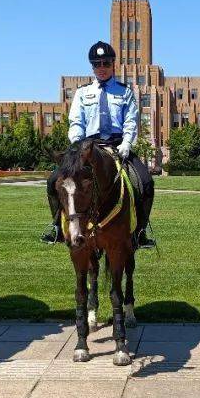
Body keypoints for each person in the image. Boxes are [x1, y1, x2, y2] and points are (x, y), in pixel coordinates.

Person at [40, 41, 156, 248]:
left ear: (113, 64)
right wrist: (77, 146)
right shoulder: (83, 93)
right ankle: (57, 226)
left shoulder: (124, 92)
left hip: (117, 145)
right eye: (96, 64)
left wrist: (127, 142)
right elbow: (76, 122)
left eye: (105, 63)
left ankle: (140, 231)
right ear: (92, 67)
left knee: (145, 181)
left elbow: (131, 121)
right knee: (53, 181)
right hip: (88, 147)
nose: (101, 67)